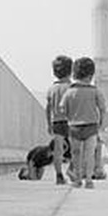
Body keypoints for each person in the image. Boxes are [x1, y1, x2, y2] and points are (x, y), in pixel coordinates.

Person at [60, 56, 106, 189]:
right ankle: (89, 180)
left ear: (74, 74)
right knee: (89, 154)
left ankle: (77, 179)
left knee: (76, 154)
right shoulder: (95, 91)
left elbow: (62, 109)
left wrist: (70, 117)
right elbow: (102, 108)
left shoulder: (69, 92)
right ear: (91, 75)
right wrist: (100, 122)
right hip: (91, 126)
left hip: (74, 126)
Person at [45, 54, 73, 185]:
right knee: (76, 147)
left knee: (58, 150)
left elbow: (48, 108)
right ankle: (72, 170)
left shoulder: (52, 89)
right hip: (71, 121)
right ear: (71, 71)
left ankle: (59, 175)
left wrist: (49, 124)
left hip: (57, 121)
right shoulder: (72, 88)